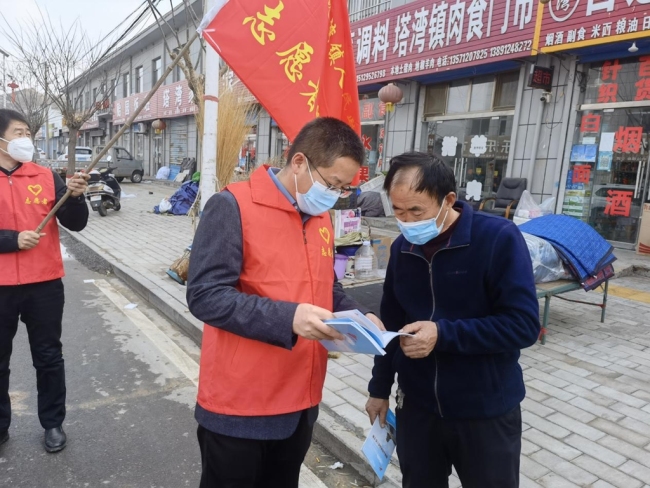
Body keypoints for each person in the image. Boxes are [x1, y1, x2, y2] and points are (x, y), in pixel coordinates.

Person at [187, 117, 384, 488]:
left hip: (301, 399)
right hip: (241, 403)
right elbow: (205, 295)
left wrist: (359, 315)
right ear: (298, 163)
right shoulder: (232, 206)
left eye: (343, 188)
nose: (335, 194)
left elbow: (326, 284)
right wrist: (289, 318)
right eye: (332, 183)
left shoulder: (320, 216)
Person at [365, 152, 540, 488]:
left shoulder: (497, 239)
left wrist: (442, 334)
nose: (407, 221)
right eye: (398, 211)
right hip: (417, 408)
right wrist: (379, 389)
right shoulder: (403, 249)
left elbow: (523, 325)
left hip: (485, 408)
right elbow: (390, 325)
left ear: (447, 200)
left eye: (416, 211)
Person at [0, 109, 89, 452]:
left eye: (28, 134)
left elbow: (76, 224)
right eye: (19, 132)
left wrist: (76, 196)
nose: (26, 140)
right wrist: (11, 241)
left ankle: (53, 423)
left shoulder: (45, 176)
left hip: (44, 284)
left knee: (49, 356)